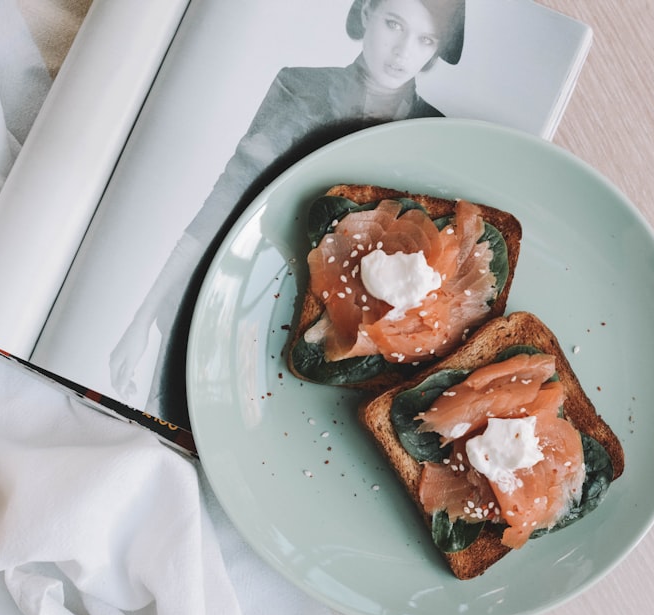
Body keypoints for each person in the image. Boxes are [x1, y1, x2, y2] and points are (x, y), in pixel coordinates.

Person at [109, 0, 466, 427]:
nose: (402, 51)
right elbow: (223, 203)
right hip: (240, 291)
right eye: (394, 24)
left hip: (350, 349)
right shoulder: (298, 87)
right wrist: (141, 317)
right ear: (367, 13)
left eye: (425, 39)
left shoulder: (433, 129)